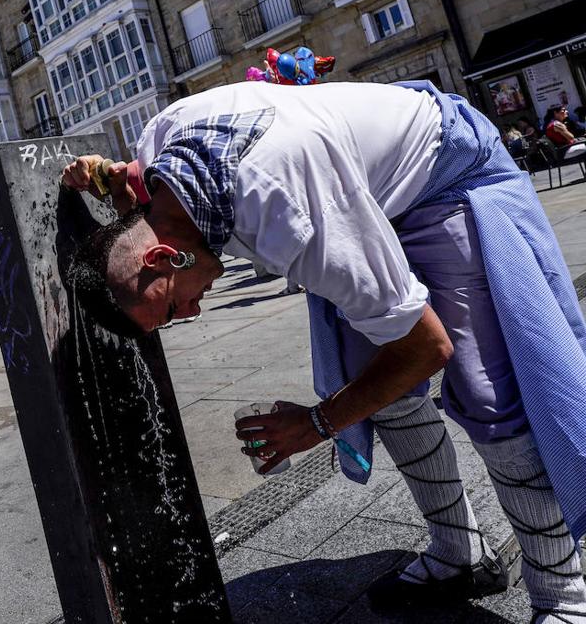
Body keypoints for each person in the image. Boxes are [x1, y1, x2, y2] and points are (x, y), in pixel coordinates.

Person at [62, 79, 586, 623]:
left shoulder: (291, 218)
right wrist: (103, 177)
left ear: (162, 258)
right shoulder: (160, 157)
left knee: (486, 390)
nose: (191, 315)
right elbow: (136, 197)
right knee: (378, 387)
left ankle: (564, 594)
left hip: (442, 172)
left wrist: (316, 423)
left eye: (171, 309)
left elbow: (427, 348)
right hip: (351, 185)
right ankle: (460, 556)